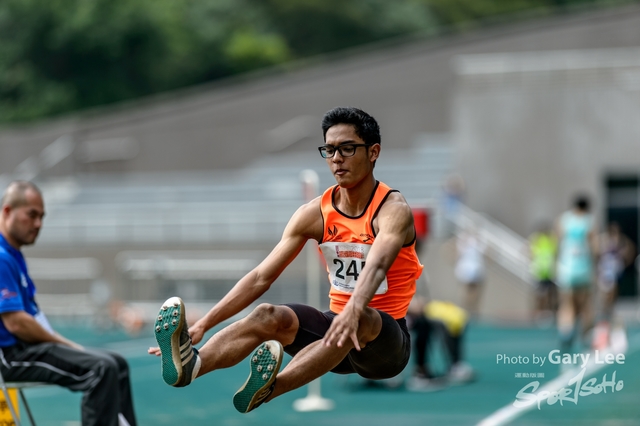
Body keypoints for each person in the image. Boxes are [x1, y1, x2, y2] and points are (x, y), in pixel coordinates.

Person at [149, 107, 423, 413]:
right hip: (331, 337)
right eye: (329, 150)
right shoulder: (314, 214)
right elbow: (260, 277)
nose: (336, 158)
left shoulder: (393, 210)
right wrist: (204, 324)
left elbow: (378, 265)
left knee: (359, 317)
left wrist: (354, 308)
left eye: (347, 149)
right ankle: (192, 364)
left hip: (384, 344)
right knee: (267, 315)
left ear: (373, 152)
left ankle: (270, 388)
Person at [0, 181, 137, 426]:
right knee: (100, 369)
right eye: (31, 215)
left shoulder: (13, 255)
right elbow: (17, 324)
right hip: (10, 356)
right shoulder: (1, 257)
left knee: (117, 364)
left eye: (41, 216)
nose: (38, 224)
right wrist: (66, 344)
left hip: (28, 349)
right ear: (8, 211)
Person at [555, 194, 597, 355]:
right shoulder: (589, 221)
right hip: (583, 268)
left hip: (567, 267)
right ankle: (585, 335)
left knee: (567, 304)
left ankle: (566, 330)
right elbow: (594, 246)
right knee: (585, 305)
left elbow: (559, 241)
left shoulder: (563, 220)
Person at [406, 296, 474, 391]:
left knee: (455, 317)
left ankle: (455, 365)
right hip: (391, 313)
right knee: (423, 324)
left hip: (404, 309)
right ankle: (420, 372)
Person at [592, 222, 635, 349]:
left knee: (612, 298)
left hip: (615, 272)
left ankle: (609, 321)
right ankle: (603, 325)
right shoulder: (603, 240)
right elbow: (595, 250)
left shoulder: (621, 241)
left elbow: (630, 249)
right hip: (605, 273)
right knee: (605, 298)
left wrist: (624, 261)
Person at [528, 222, 559, 324]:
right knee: (539, 295)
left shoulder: (551, 240)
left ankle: (546, 313)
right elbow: (530, 252)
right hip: (539, 272)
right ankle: (538, 313)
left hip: (549, 272)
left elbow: (555, 253)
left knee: (550, 294)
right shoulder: (536, 239)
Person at [454, 226, 486, 319]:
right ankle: (465, 312)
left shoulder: (479, 242)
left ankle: (473, 312)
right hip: (465, 271)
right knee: (466, 293)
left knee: (474, 295)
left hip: (476, 271)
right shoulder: (462, 242)